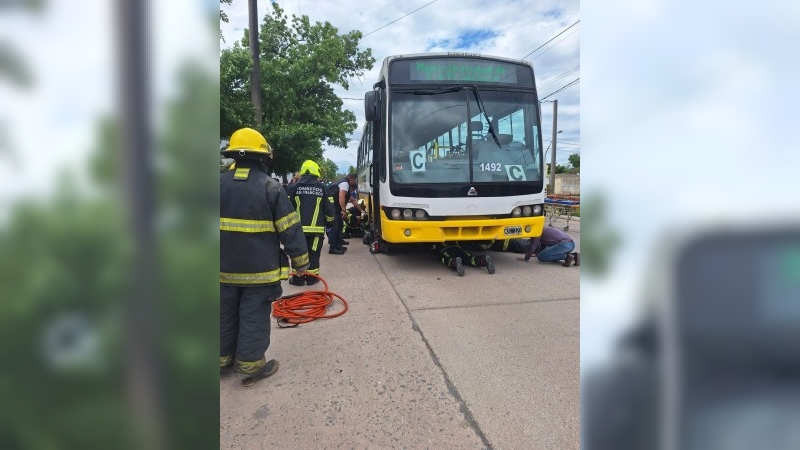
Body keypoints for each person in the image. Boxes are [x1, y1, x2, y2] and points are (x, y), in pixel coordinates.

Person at [220, 127, 309, 387]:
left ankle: (222, 359)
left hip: (222, 269)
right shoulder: (271, 188)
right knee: (253, 314)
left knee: (224, 312)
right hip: (260, 271)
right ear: (263, 158)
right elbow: (290, 229)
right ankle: (250, 366)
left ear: (234, 156)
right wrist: (301, 264)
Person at [286, 160, 334, 286]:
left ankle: (298, 279)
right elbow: (330, 209)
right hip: (316, 231)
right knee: (313, 254)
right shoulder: (323, 188)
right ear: (316, 172)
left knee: (298, 254)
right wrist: (330, 223)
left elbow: (287, 209)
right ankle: (312, 278)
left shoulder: (293, 188)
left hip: (298, 231)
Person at [327, 173, 363, 254]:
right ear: (351, 179)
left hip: (335, 208)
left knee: (339, 225)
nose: (355, 182)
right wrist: (344, 210)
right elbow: (341, 197)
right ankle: (332, 248)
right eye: (355, 180)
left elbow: (353, 200)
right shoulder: (345, 184)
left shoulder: (345, 184)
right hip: (332, 208)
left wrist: (361, 210)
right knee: (334, 227)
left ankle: (338, 244)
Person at [431, 242, 495, 277]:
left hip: (445, 250)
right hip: (458, 248)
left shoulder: (436, 240)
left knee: (447, 259)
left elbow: (432, 249)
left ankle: (455, 262)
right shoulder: (452, 237)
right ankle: (483, 259)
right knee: (470, 259)